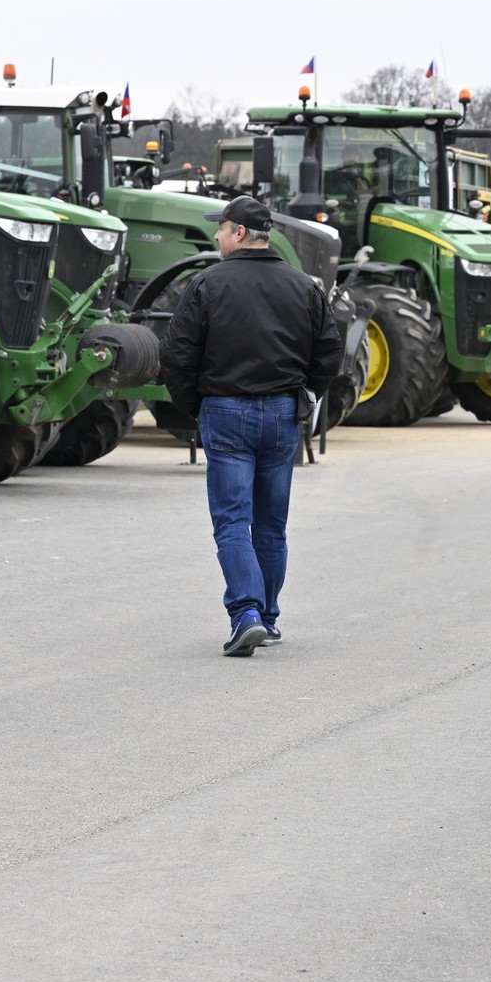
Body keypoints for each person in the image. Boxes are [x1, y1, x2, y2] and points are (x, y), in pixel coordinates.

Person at [161, 194, 342, 657]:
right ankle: (269, 617)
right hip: (282, 414)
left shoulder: (206, 284)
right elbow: (329, 350)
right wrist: (306, 394)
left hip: (225, 411)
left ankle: (246, 614)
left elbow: (177, 353)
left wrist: (195, 407)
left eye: (221, 228)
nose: (217, 235)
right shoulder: (303, 286)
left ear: (239, 233)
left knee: (231, 522)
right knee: (271, 526)